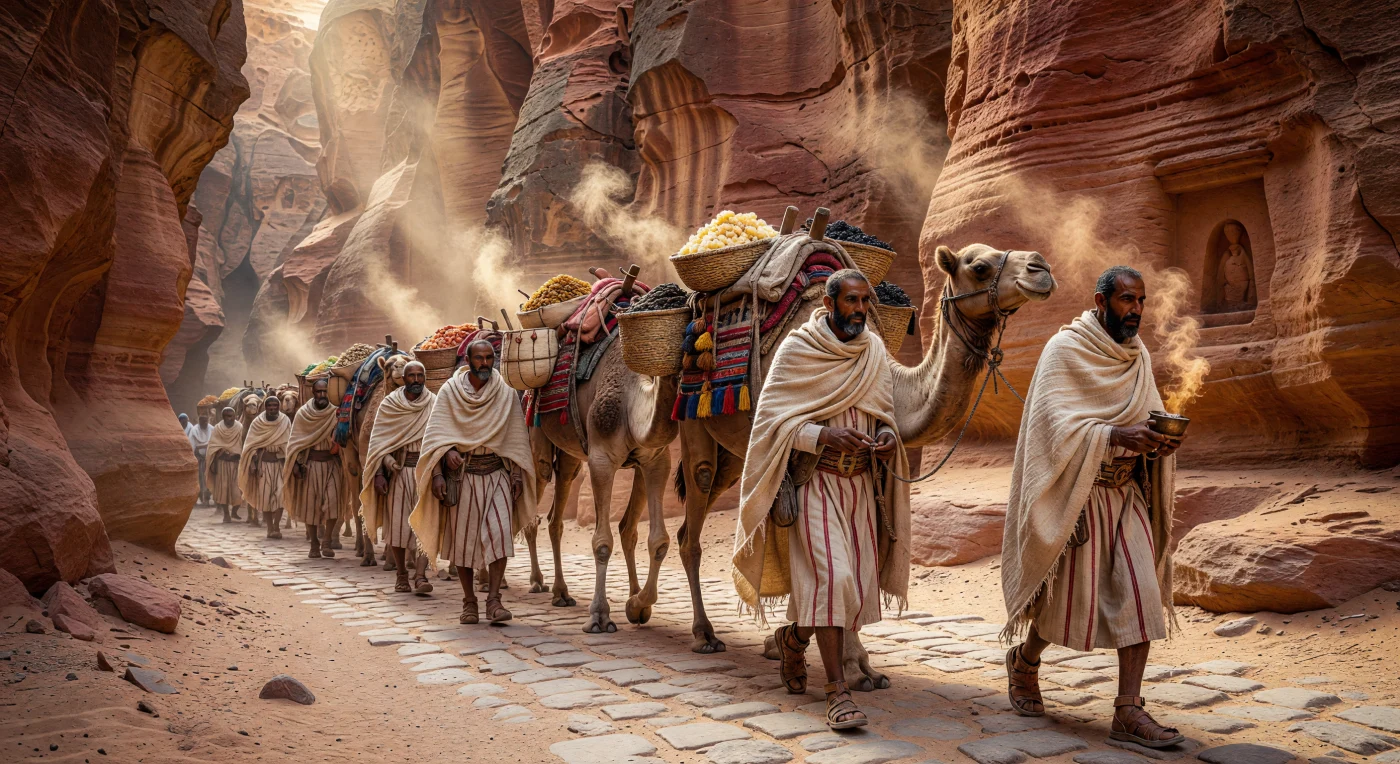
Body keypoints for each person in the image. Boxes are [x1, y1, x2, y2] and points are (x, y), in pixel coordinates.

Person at [1000, 265, 1185, 748]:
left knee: (1141, 594)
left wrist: (1155, 442)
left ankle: (1128, 710)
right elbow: (1050, 428)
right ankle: (1026, 660)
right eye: (1127, 300)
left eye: (1141, 300)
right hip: (1075, 497)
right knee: (1063, 603)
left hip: (1125, 497)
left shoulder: (1136, 354)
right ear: (1101, 301)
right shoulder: (1064, 350)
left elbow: (1147, 412)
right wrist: (1112, 435)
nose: (1137, 310)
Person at [732, 269, 912, 731]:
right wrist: (824, 435)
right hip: (815, 483)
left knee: (845, 588)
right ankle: (837, 691)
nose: (859, 310)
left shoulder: (873, 349)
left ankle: (793, 639)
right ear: (830, 304)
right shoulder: (799, 350)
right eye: (851, 302)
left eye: (864, 302)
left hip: (861, 491)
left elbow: (884, 413)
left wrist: (888, 436)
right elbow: (770, 426)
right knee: (834, 580)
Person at [410, 340, 535, 625]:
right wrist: (444, 461)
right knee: (464, 544)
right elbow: (437, 436)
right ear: (468, 360)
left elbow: (515, 436)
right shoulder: (450, 393)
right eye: (478, 358)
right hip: (462, 477)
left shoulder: (504, 391)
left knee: (501, 536)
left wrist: (516, 474)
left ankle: (494, 600)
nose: (484, 363)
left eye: (489, 358)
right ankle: (469, 602)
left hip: (497, 473)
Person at [359, 360, 435, 594]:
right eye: (410, 375)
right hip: (398, 472)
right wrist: (381, 471)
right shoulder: (390, 404)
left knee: (426, 524)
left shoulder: (434, 403)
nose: (415, 380)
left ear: (424, 377)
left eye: (419, 375)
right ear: (403, 378)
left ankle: (420, 575)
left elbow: (442, 437)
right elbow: (379, 443)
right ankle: (401, 574)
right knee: (398, 527)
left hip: (426, 473)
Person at [282, 378, 346, 558]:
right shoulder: (303, 414)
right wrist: (295, 464)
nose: (322, 395)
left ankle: (327, 540)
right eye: (319, 392)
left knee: (333, 503)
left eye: (325, 391)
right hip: (310, 466)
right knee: (311, 507)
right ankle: (314, 544)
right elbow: (295, 442)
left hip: (333, 465)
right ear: (313, 393)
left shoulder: (336, 412)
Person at [239, 395, 293, 539]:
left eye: (275, 406)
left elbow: (288, 443)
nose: (272, 408)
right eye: (270, 406)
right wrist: (252, 462)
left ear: (279, 406)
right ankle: (270, 528)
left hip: (280, 464)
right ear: (265, 407)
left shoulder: (285, 421)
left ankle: (276, 526)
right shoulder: (258, 422)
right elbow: (250, 445)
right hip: (263, 465)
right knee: (266, 497)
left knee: (281, 496)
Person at [205, 407, 245, 523]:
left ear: (235, 416)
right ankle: (226, 515)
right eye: (227, 416)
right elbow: (212, 446)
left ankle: (235, 511)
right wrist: (217, 458)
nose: (230, 418)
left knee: (238, 490)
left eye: (232, 416)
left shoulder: (239, 428)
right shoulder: (218, 428)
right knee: (223, 491)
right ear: (223, 417)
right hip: (222, 464)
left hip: (236, 463)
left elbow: (242, 444)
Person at [188, 413, 213, 506]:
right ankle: (199, 498)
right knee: (199, 479)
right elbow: (192, 445)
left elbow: (213, 443)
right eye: (202, 421)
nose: (204, 423)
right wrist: (197, 453)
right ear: (199, 421)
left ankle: (207, 498)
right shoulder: (194, 430)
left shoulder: (212, 429)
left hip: (209, 459)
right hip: (198, 459)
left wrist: (204, 447)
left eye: (206, 421)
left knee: (208, 479)